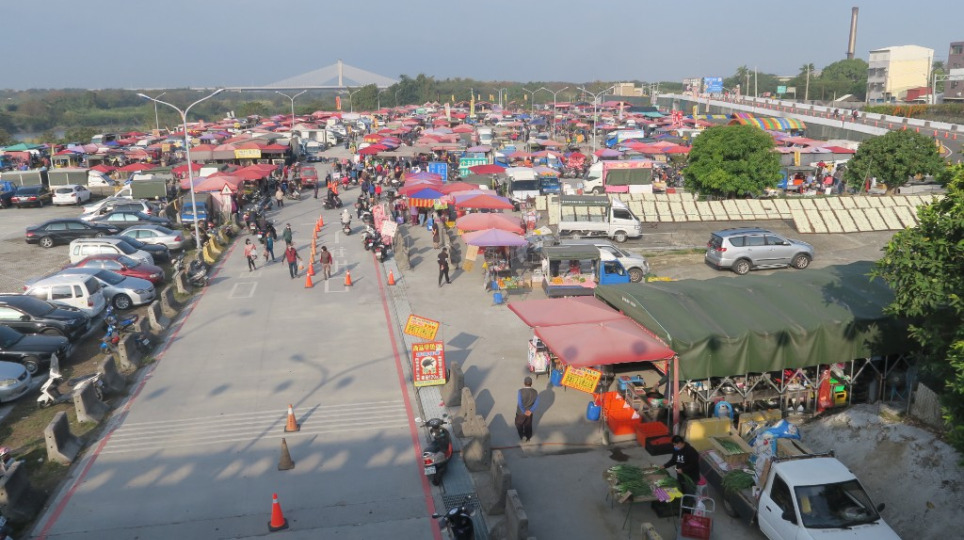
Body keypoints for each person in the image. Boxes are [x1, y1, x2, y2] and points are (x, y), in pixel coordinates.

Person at [515, 376, 539, 442]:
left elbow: (520, 403)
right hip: (529, 413)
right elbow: (537, 402)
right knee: (528, 425)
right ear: (531, 383)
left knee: (518, 424)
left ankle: (522, 435)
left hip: (520, 413)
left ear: (524, 383)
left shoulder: (520, 391)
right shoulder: (535, 392)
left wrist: (524, 411)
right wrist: (531, 411)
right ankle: (528, 437)